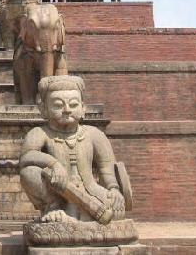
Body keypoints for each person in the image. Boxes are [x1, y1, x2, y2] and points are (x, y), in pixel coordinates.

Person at [19, 75, 126, 224]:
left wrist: (114, 189)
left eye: (73, 104)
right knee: (28, 172)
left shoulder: (94, 134)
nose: (67, 110)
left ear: (83, 108)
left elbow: (106, 168)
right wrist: (53, 164)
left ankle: (79, 217)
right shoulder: (39, 133)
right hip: (58, 193)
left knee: (116, 210)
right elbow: (26, 157)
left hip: (91, 192)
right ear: (43, 109)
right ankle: (53, 208)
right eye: (58, 105)